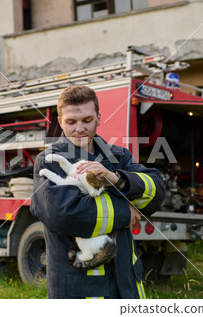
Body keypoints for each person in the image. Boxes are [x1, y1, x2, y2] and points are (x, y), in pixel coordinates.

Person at [31, 85, 165, 299]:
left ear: (99, 117)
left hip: (126, 284)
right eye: (71, 122)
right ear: (60, 121)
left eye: (87, 120)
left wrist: (116, 178)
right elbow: (64, 214)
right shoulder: (49, 160)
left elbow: (155, 191)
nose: (79, 129)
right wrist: (124, 210)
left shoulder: (118, 156)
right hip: (80, 286)